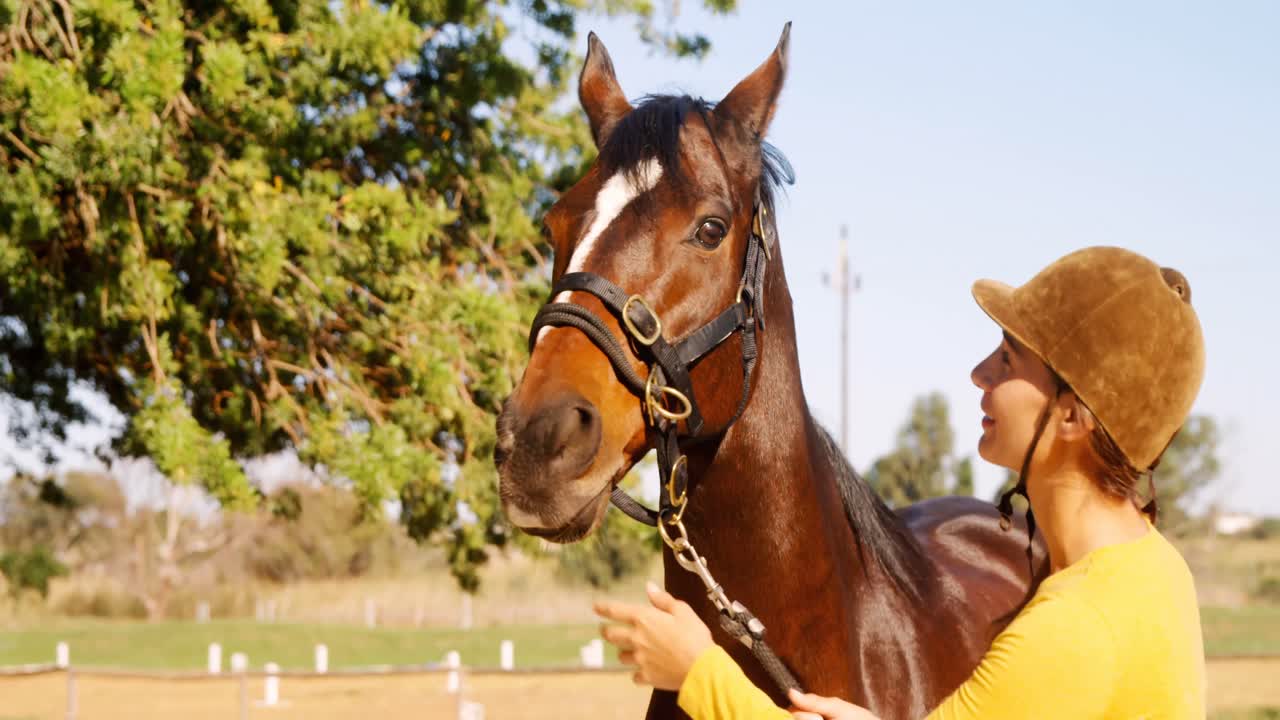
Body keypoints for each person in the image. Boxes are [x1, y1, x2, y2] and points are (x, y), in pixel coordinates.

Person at [595, 246, 1207, 719]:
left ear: (1073, 414)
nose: (978, 374)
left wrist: (699, 672)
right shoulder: (1155, 568)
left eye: (1008, 360)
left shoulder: (1075, 628)